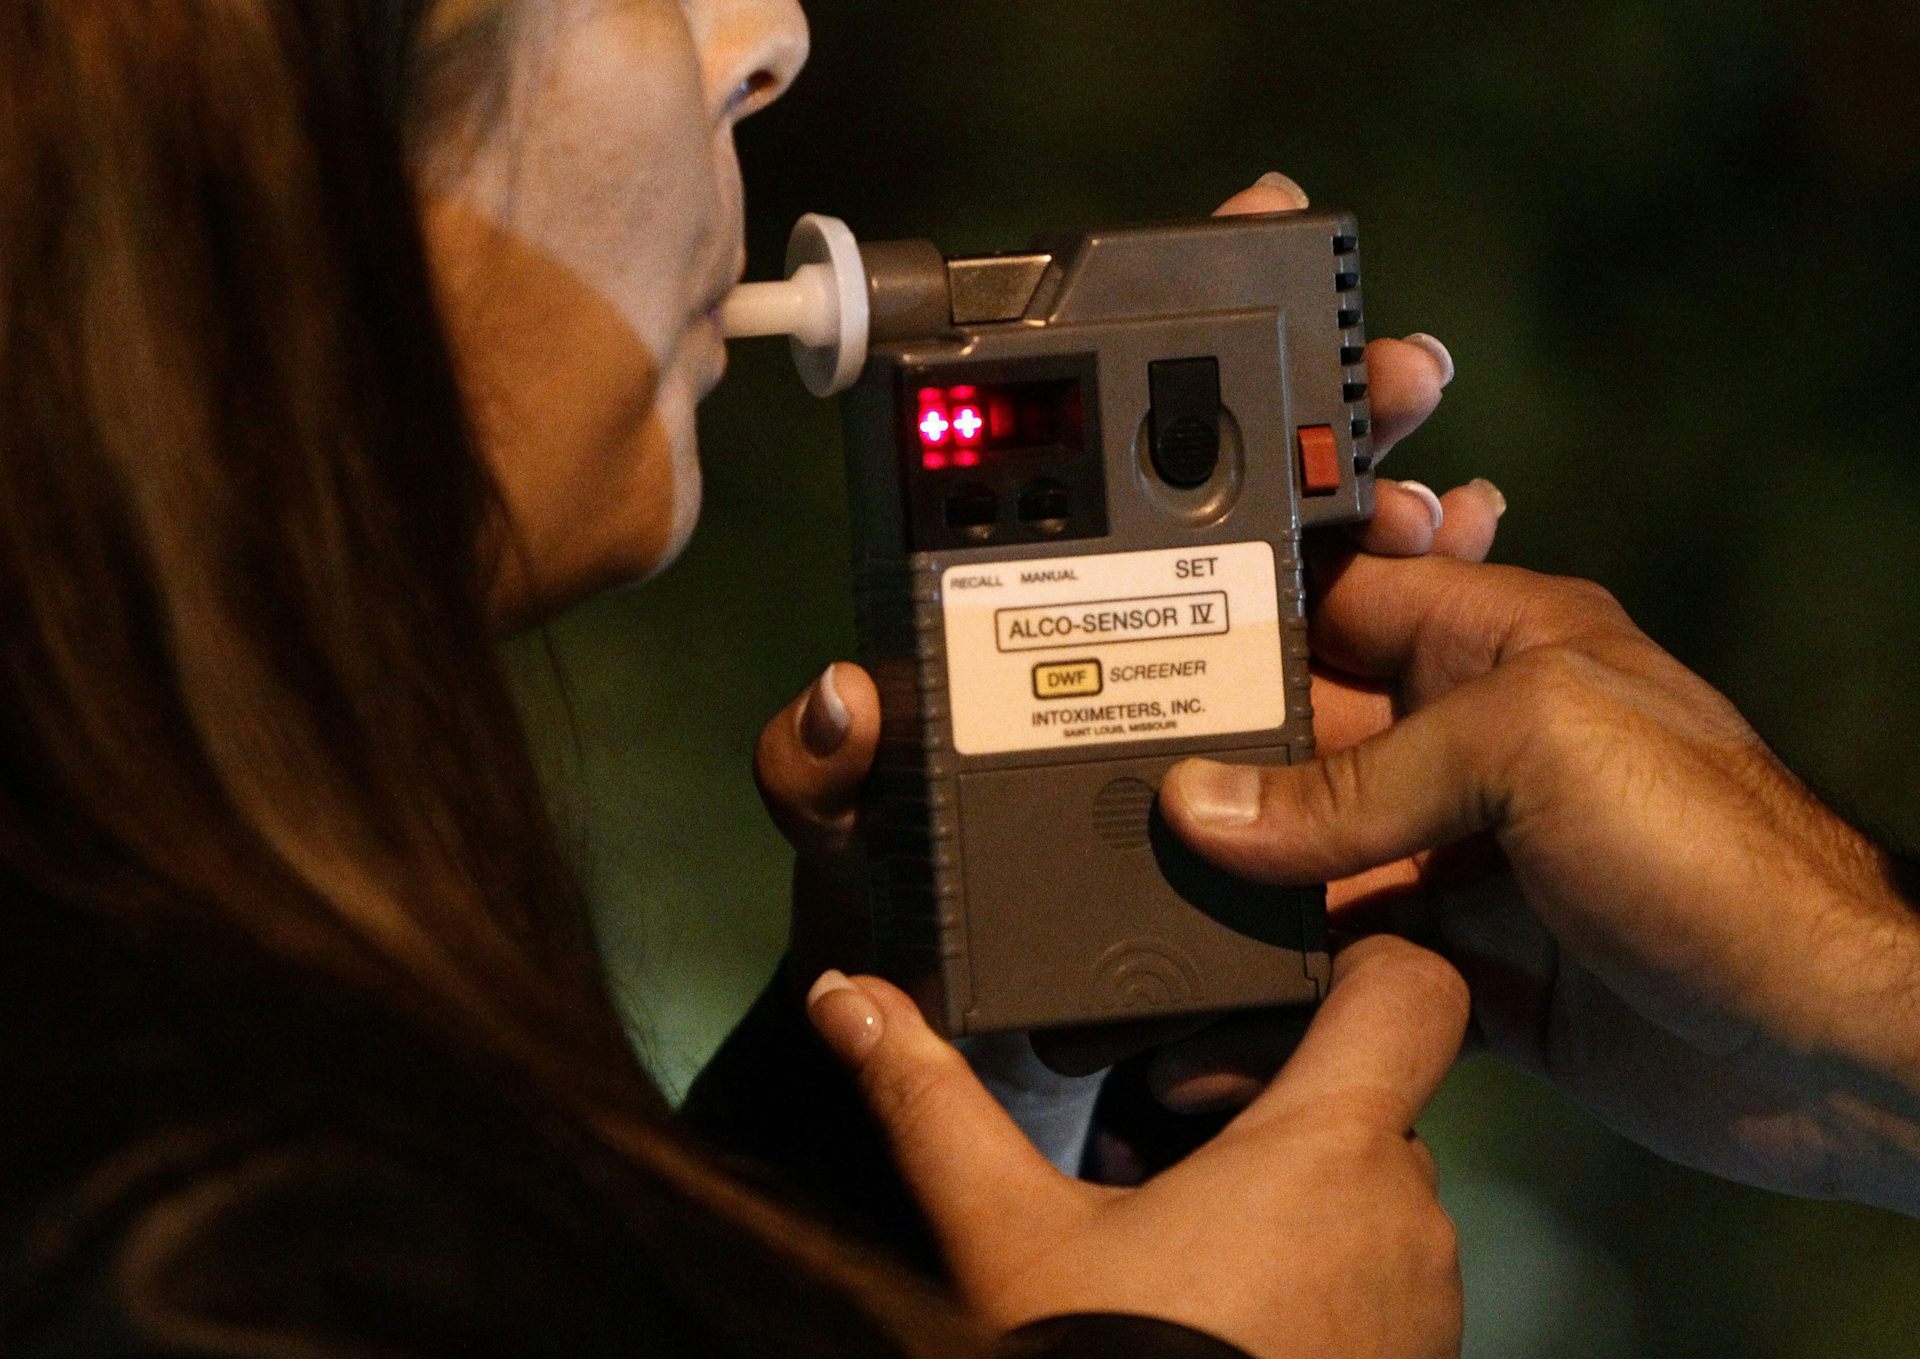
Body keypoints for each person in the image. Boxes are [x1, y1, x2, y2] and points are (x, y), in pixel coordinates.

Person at [0, 3, 1480, 1357]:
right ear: (264, 131)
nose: (769, 38)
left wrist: (971, 1046)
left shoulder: (184, 1070)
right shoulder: (187, 1219)